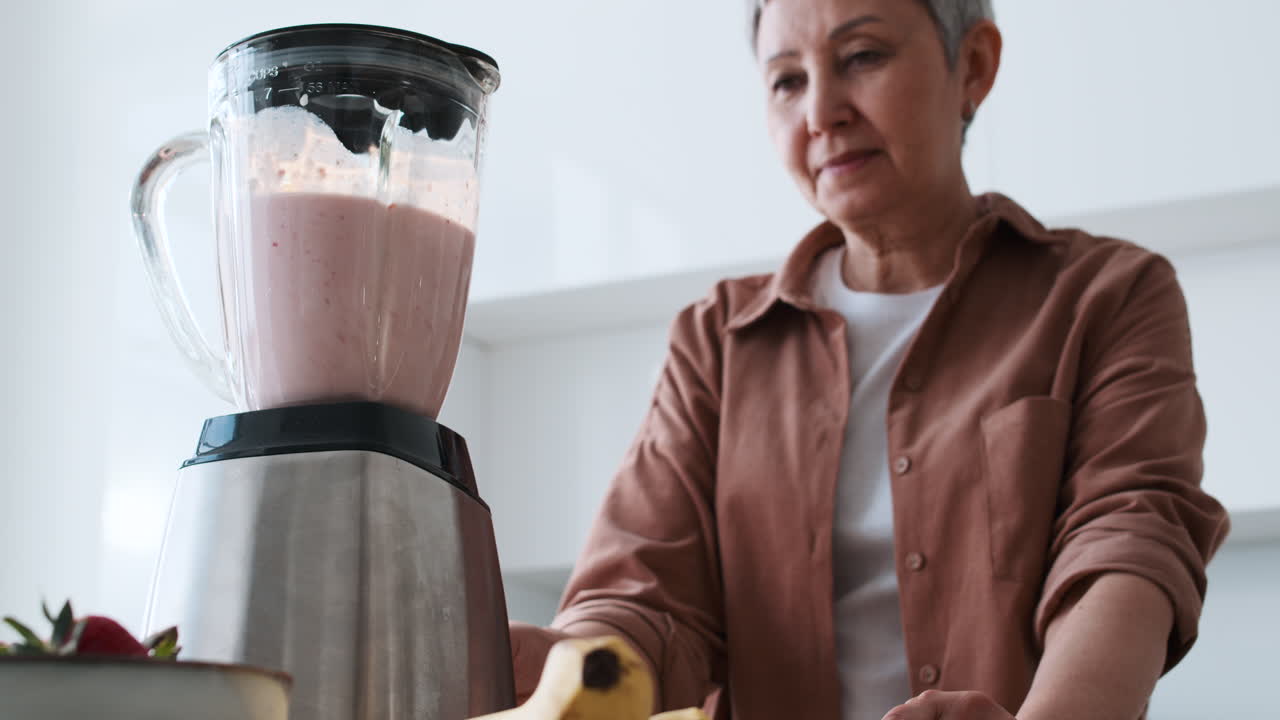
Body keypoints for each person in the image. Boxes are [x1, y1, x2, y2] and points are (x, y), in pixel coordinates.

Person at [509, 0, 1231, 718]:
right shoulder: (717, 340)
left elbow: (1126, 549)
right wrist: (544, 670)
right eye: (787, 81)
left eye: (862, 58)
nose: (821, 112)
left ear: (972, 66)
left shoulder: (1109, 296)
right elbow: (642, 596)